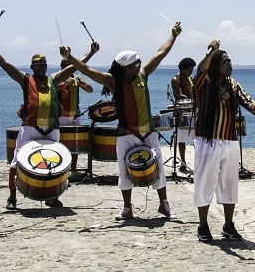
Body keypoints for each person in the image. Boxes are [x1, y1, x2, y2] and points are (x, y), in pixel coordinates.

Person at [59, 23, 182, 221]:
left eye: (139, 63)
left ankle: (163, 204)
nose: (138, 66)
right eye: (135, 64)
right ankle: (127, 208)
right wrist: (70, 58)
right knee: (124, 171)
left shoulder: (143, 74)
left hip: (148, 131)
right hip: (126, 132)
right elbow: (86, 70)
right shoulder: (112, 80)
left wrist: (173, 36)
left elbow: (161, 52)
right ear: (124, 67)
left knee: (158, 166)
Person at [0, 33, 97, 209]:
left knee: (56, 163)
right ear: (32, 67)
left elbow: (74, 66)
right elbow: (4, 64)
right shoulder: (25, 80)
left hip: (51, 129)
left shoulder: (54, 79)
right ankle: (12, 197)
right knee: (15, 163)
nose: (41, 68)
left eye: (43, 65)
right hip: (30, 128)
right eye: (37, 65)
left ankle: (53, 196)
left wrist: (91, 52)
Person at [193, 40, 255, 242]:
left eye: (230, 61)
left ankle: (228, 225)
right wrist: (212, 52)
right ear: (216, 64)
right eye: (225, 61)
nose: (230, 64)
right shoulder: (204, 82)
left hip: (230, 140)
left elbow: (246, 101)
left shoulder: (233, 84)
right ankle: (203, 225)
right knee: (204, 182)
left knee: (230, 184)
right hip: (209, 139)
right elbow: (200, 69)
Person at [56, 48, 99, 180]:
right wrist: (64, 84)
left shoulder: (76, 77)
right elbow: (51, 90)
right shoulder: (57, 78)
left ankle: (73, 169)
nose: (68, 69)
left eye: (70, 66)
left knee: (75, 143)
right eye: (66, 66)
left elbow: (90, 90)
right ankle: (61, 169)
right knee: (61, 143)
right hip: (62, 116)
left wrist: (83, 84)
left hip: (75, 115)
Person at [170, 57, 196, 172]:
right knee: (181, 139)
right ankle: (183, 162)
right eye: (189, 70)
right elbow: (180, 95)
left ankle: (198, 161)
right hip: (181, 113)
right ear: (183, 69)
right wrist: (193, 100)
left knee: (196, 138)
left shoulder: (190, 79)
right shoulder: (176, 80)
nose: (191, 72)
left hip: (192, 112)